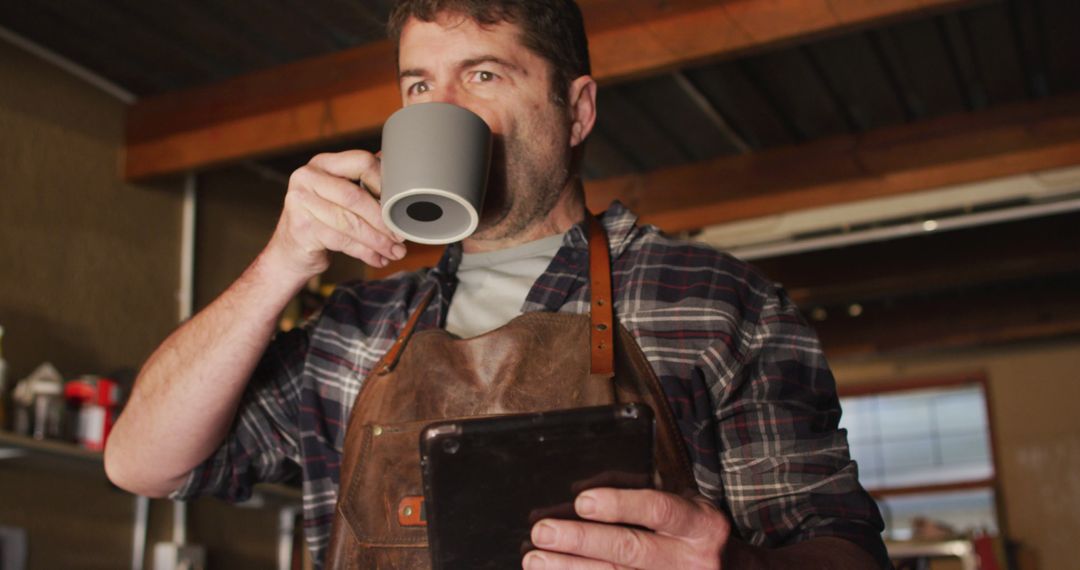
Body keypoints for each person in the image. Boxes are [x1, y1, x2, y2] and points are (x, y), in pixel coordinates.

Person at [105, 0, 889, 568]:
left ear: (577, 110)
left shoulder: (717, 304)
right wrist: (279, 264)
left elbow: (843, 549)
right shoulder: (355, 330)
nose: (443, 109)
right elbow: (143, 463)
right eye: (419, 86)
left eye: (482, 73)